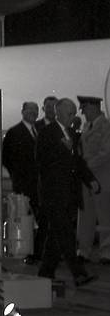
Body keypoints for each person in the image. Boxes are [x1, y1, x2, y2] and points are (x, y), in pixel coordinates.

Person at [36, 96, 100, 287]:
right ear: (59, 113)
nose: (73, 116)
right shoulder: (47, 133)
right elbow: (41, 161)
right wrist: (64, 151)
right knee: (65, 234)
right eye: (69, 113)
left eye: (73, 113)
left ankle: (45, 272)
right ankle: (78, 274)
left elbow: (78, 162)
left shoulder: (72, 133)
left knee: (56, 237)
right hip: (53, 194)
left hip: (70, 194)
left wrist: (91, 180)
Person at [1, 101, 42, 261]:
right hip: (23, 183)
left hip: (38, 183)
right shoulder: (14, 132)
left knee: (37, 218)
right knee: (25, 217)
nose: (33, 113)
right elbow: (6, 157)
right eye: (29, 110)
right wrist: (17, 174)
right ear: (23, 111)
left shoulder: (38, 131)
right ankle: (26, 251)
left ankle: (36, 251)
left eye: (35, 110)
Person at [77, 95, 110, 264]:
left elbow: (106, 152)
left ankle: (106, 252)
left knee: (105, 216)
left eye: (85, 110)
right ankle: (84, 251)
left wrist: (86, 166)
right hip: (87, 179)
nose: (83, 113)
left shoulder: (106, 126)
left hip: (103, 178)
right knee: (86, 216)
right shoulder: (86, 127)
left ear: (94, 108)